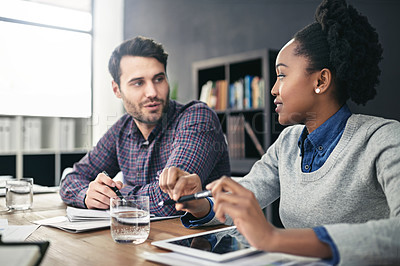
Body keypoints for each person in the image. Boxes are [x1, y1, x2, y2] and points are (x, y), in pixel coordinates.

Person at [159, 0, 400, 264]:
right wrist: (200, 201)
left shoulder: (384, 139)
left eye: (282, 75)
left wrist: (273, 239)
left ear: (320, 81)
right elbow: (246, 193)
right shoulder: (288, 143)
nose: (273, 89)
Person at [59, 36, 230, 216]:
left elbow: (169, 201)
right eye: (138, 83)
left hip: (203, 241)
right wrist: (87, 194)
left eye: (158, 79)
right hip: (142, 240)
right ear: (117, 89)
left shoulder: (197, 118)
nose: (152, 92)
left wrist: (114, 195)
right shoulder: (122, 129)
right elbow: (72, 179)